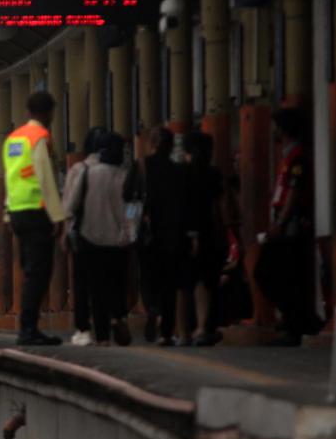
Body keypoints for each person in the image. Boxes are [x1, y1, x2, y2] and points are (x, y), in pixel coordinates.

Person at [2, 91, 66, 345]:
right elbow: (45, 177)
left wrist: (8, 212)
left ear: (28, 111)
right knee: (39, 271)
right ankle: (28, 329)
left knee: (30, 269)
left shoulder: (13, 139)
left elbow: (10, 176)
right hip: (37, 211)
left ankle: (28, 326)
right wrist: (57, 214)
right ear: (48, 112)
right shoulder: (40, 137)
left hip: (17, 211)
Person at [62, 132, 138, 346]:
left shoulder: (88, 174)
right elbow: (132, 208)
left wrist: (67, 229)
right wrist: (130, 231)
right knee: (118, 283)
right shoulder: (125, 175)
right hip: (120, 240)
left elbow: (72, 205)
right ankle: (118, 317)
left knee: (96, 288)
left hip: (91, 237)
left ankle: (102, 335)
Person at [256, 108, 318, 345]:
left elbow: (294, 192)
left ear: (284, 128)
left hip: (292, 225)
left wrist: (280, 223)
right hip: (285, 222)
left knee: (270, 272)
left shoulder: (298, 157)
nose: (273, 131)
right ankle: (298, 321)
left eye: (276, 126)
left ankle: (296, 323)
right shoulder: (288, 155)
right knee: (285, 275)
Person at [139, 127, 187, 345]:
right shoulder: (179, 171)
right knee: (169, 283)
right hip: (172, 234)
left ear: (152, 143)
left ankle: (152, 308)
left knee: (148, 277)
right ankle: (167, 332)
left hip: (148, 232)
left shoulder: (142, 167)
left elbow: (128, 196)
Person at [62, 126, 109, 346]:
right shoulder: (117, 170)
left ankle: (83, 328)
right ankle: (103, 330)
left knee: (81, 283)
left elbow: (69, 205)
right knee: (103, 284)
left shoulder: (79, 169)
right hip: (109, 235)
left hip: (83, 234)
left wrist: (64, 229)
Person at [180, 130, 226, 346]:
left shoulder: (183, 173)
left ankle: (186, 329)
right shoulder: (213, 174)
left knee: (190, 282)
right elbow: (219, 207)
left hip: (187, 232)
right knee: (208, 281)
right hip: (210, 232)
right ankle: (204, 326)